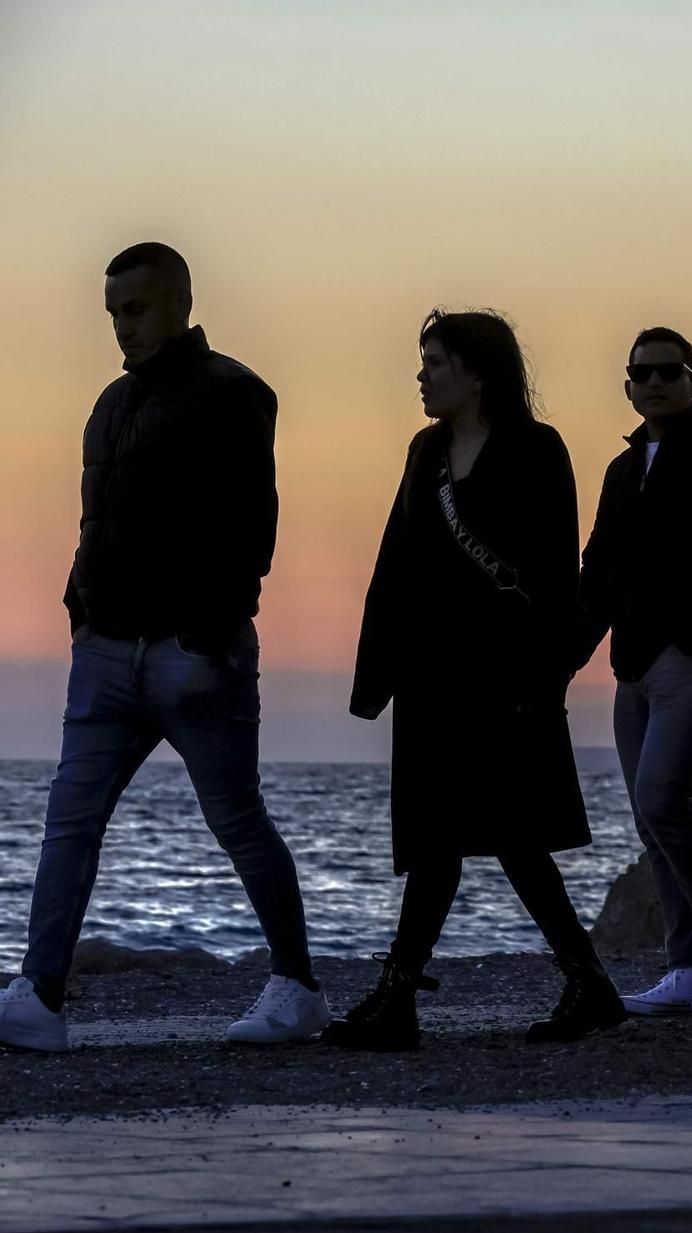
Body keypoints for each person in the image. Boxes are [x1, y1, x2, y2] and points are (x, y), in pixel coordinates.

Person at [0, 243, 328, 1055]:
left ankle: (297, 987)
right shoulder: (110, 404)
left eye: (136, 309)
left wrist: (210, 635)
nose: (123, 326)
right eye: (112, 312)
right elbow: (94, 522)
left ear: (180, 301)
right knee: (67, 822)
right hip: (107, 658)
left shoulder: (233, 392)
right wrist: (80, 613)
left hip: (193, 655)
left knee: (238, 820)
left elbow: (253, 527)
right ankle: (39, 994)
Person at [327, 309, 618, 1052]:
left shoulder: (536, 449)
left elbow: (556, 572)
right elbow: (396, 562)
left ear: (479, 371)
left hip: (505, 674)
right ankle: (408, 993)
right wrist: (377, 674)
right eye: (422, 360)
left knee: (514, 833)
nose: (422, 374)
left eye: (436, 360)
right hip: (432, 674)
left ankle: (580, 982)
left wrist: (545, 672)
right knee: (437, 834)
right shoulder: (425, 452)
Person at [575, 327, 692, 1017]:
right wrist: (562, 655)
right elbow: (598, 569)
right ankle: (684, 963)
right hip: (634, 664)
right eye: (642, 372)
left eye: (669, 370)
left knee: (662, 798)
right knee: (652, 819)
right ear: (628, 385)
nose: (656, 382)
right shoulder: (623, 471)